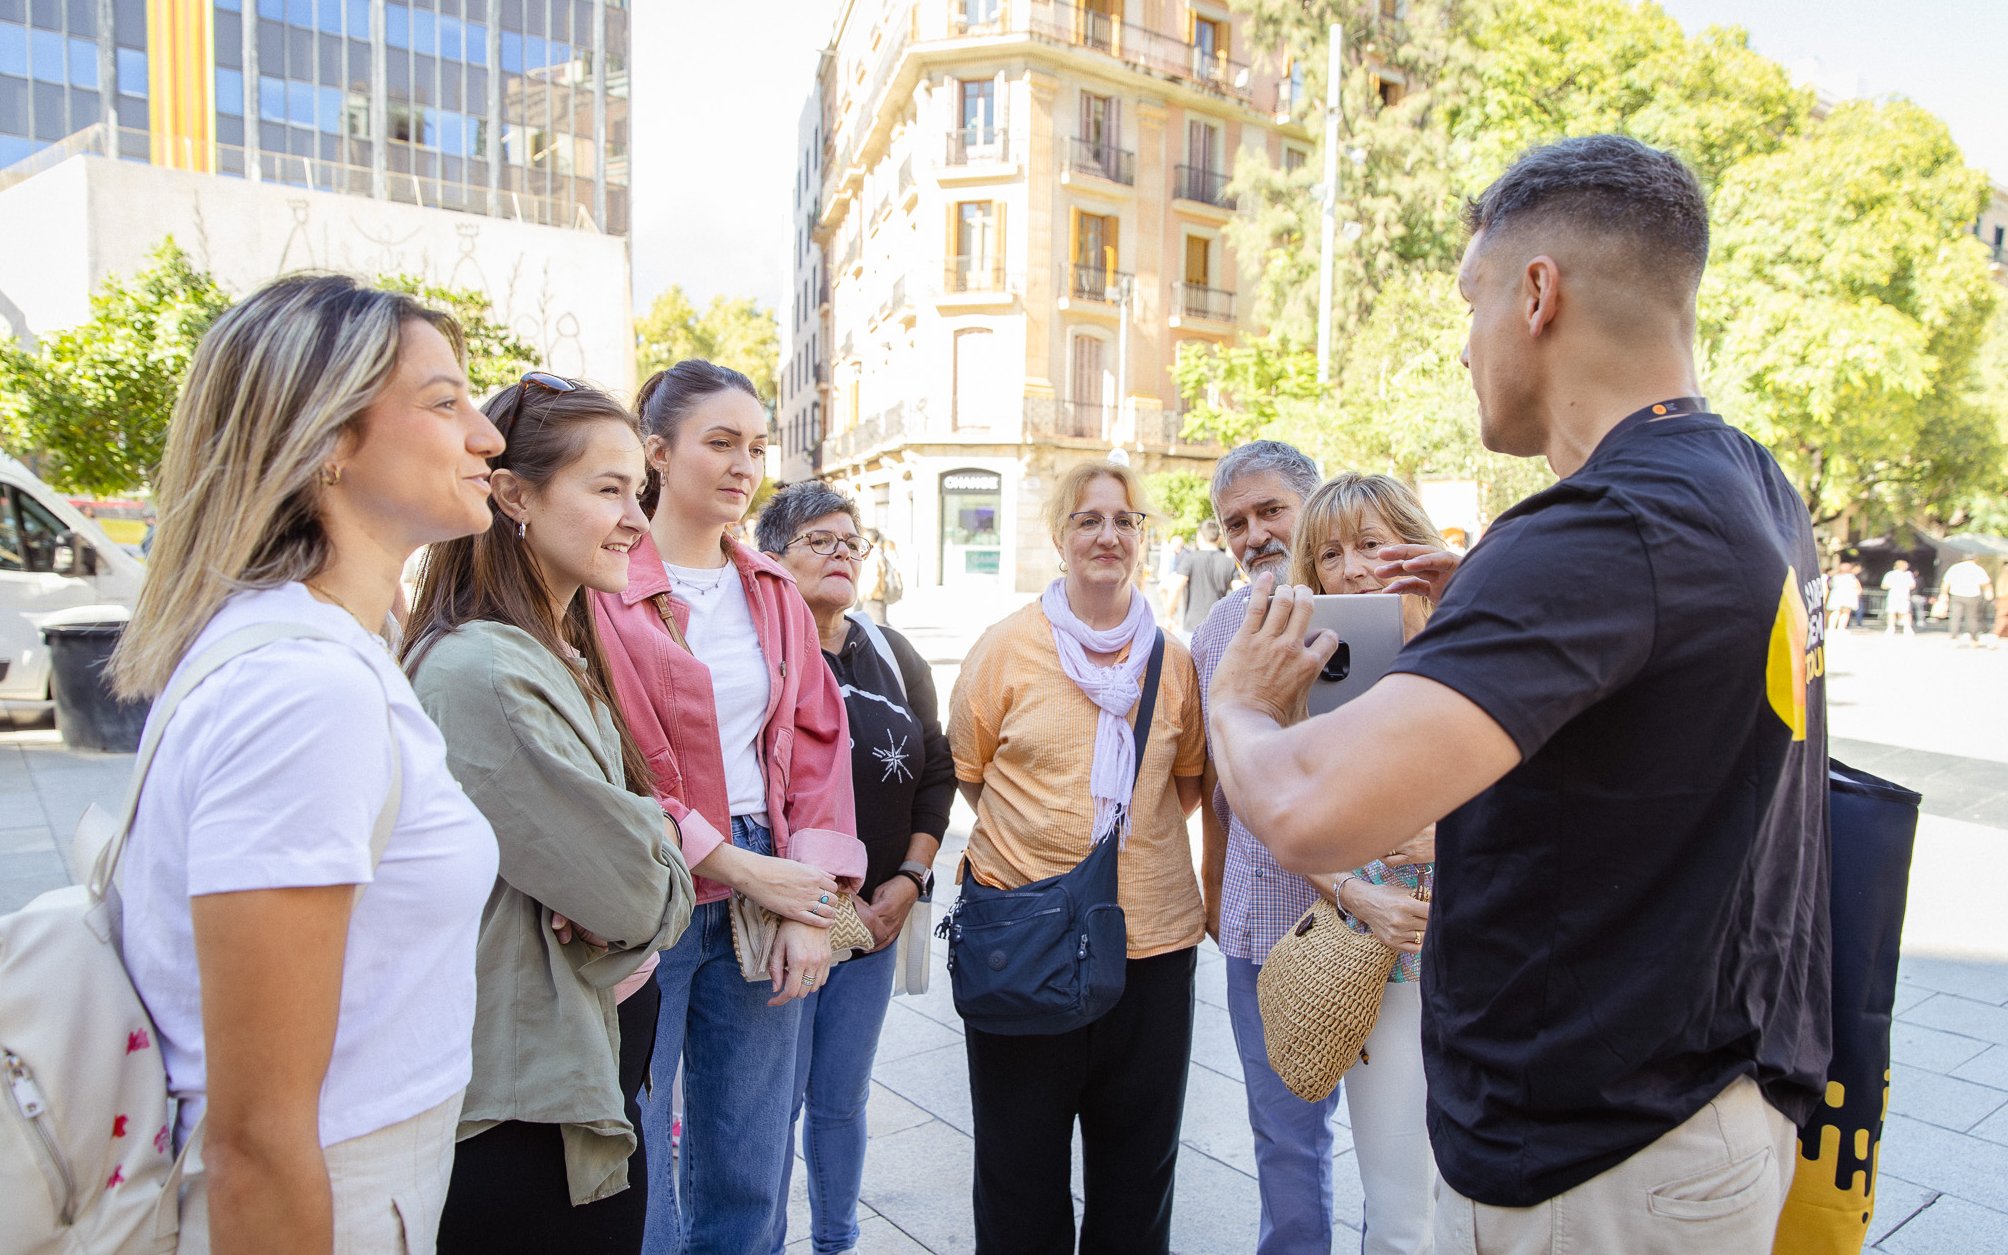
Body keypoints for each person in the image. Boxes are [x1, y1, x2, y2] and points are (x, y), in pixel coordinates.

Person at [1208, 135, 1830, 1254]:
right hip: (1699, 1102)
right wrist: (1492, 611)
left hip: (1602, 1161)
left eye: (1470, 299)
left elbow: (1308, 806)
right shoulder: (1750, 480)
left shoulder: (1599, 532)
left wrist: (1238, 701)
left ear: (1537, 294)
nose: (1461, 343)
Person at [110, 275, 505, 1253]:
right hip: (330, 1196)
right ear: (327, 440)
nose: (487, 436)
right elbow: (255, 1136)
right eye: (445, 401)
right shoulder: (304, 687)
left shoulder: (321, 651)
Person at [400, 374, 696, 1247]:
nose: (639, 520)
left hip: (582, 1079)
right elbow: (640, 895)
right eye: (608, 490)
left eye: (637, 493)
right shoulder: (485, 671)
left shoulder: (555, 648)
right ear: (515, 494)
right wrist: (655, 847)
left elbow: (641, 864)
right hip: (527, 1122)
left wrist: (651, 842)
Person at [591, 360, 866, 1254]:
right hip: (647, 877)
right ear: (657, 453)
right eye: (720, 443)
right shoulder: (601, 586)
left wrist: (813, 907)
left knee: (749, 1153)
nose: (745, 464)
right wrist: (741, 864)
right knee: (633, 1138)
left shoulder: (773, 593)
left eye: (756, 445)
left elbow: (821, 748)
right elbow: (619, 759)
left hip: (769, 873)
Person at [948, 459, 1209, 1254]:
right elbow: (970, 772)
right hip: (1024, 941)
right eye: (1088, 519)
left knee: (1139, 1169)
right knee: (1017, 1167)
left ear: (1142, 539)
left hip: (1152, 943)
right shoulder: (1005, 650)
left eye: (1125, 520)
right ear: (1060, 536)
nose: (1107, 534)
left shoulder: (1174, 661)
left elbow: (1187, 782)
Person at [756, 481, 955, 1255]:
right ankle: (761, 1240)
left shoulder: (893, 652)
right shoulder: (757, 647)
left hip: (871, 925)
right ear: (771, 557)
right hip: (781, 920)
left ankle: (837, 1240)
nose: (842, 553)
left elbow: (937, 774)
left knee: (840, 1099)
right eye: (819, 539)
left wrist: (908, 883)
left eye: (852, 541)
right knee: (767, 1107)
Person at [1189, 438, 1352, 1255]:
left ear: (1311, 503)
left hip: (1391, 926)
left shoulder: (1370, 606)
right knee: (1287, 1142)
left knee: (1407, 1141)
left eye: (1269, 511)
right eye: (1234, 523)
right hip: (1269, 934)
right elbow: (1220, 792)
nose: (1252, 534)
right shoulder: (1216, 632)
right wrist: (1215, 893)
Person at [1281, 471, 1444, 1255]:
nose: (1349, 569)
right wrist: (1355, 892)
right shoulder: (1310, 672)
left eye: (1370, 544)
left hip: (1500, 955)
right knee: (1401, 1208)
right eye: (1328, 554)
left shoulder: (1483, 644)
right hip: (1385, 963)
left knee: (1488, 1205)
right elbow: (1289, 822)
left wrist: (1453, 834)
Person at [1165, 518, 1238, 637]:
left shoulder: (1190, 559)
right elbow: (1240, 591)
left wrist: (1169, 616)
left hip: (1193, 628)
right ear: (1219, 538)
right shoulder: (1228, 562)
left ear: (1199, 536)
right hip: (1220, 629)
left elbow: (1176, 588)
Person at [1940, 557, 1994, 645]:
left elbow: (1946, 582)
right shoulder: (1977, 569)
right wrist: (1989, 593)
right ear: (1974, 560)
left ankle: (1953, 637)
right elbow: (1985, 583)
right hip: (1972, 595)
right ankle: (1973, 639)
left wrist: (1943, 594)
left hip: (1956, 594)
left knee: (1955, 616)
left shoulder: (1955, 568)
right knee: (1972, 617)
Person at [1881, 560, 1917, 636]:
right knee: (1899, 612)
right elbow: (1912, 586)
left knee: (1897, 612)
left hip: (1899, 595)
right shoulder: (1905, 575)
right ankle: (1901, 628)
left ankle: (1895, 628)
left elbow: (1884, 585)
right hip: (1898, 595)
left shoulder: (1906, 574)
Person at [1825, 562, 1862, 632]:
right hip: (1847, 596)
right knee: (1844, 613)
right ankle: (1840, 628)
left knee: (1837, 612)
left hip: (1837, 595)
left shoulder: (1835, 577)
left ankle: (1832, 628)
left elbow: (1830, 585)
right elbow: (1858, 588)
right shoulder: (1852, 578)